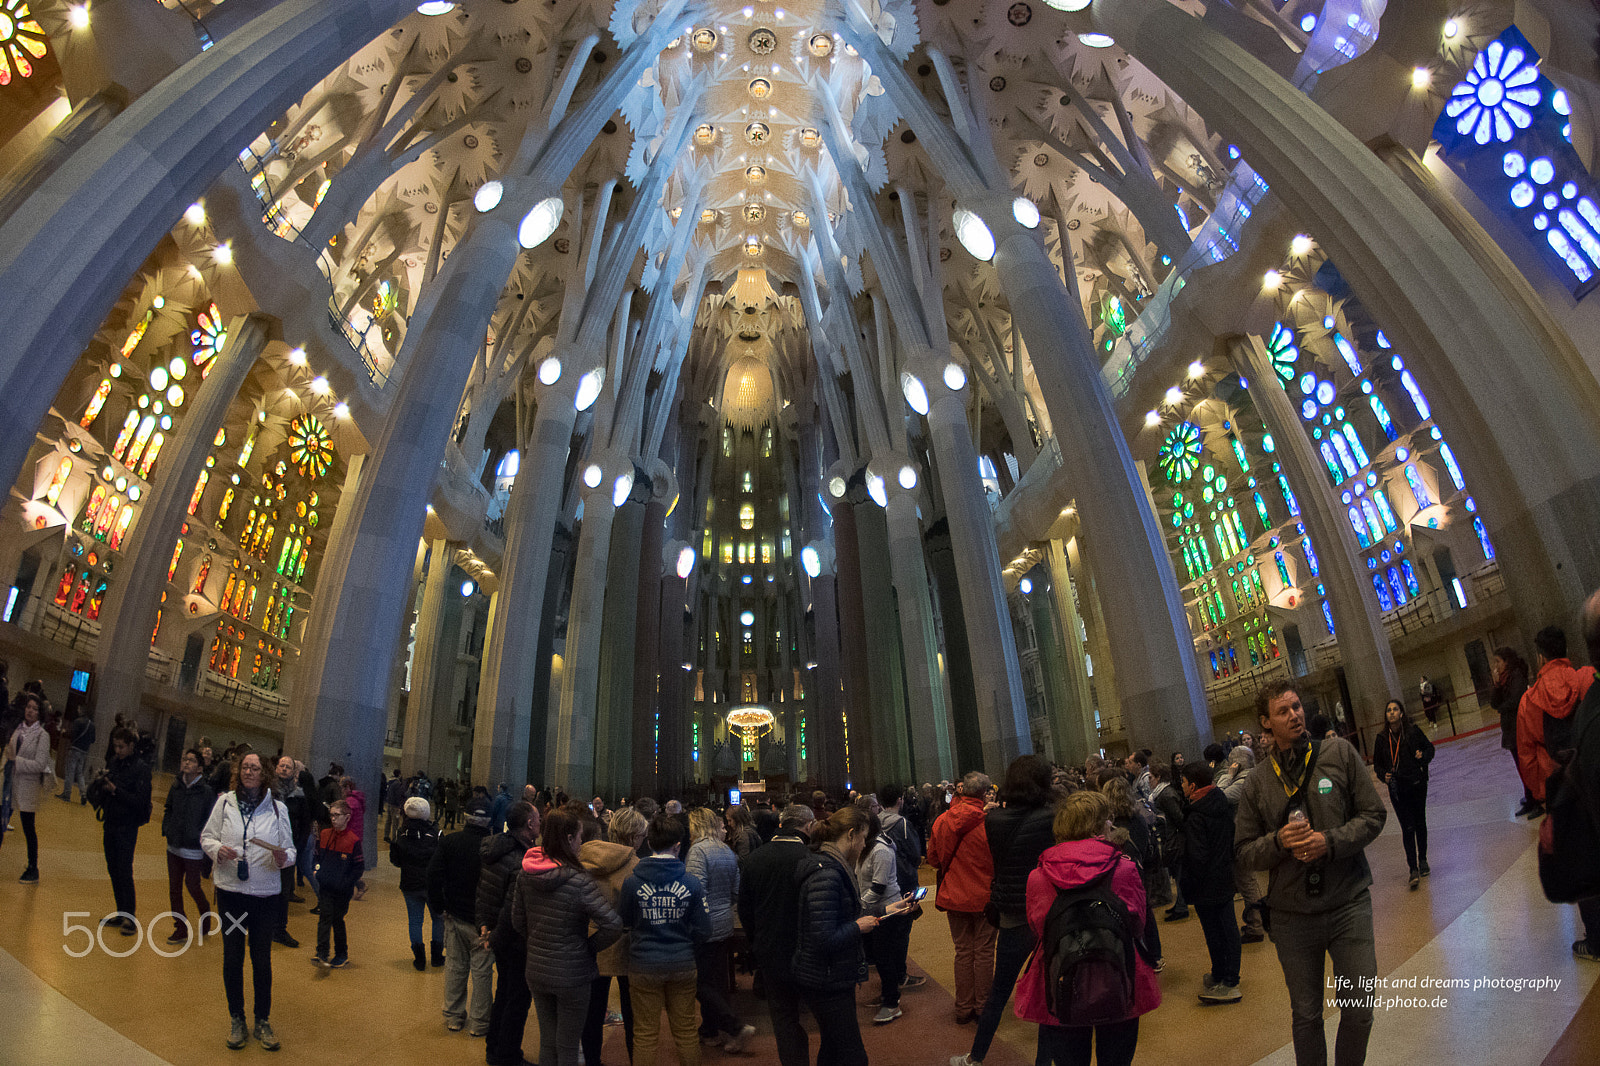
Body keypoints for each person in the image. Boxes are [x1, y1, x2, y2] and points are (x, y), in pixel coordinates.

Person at [1236, 680, 1387, 1066]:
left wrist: (1330, 842)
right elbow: (1243, 852)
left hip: (1348, 902)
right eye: (1283, 711)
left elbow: (1373, 814)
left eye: (1297, 707)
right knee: (1306, 1015)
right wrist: (1280, 842)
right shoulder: (1257, 782)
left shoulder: (1337, 753)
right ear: (1265, 723)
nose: (1295, 715)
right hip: (1292, 916)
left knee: (1359, 1009)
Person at [1013, 790, 1160, 1066]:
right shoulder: (1123, 867)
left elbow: (1038, 928)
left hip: (1060, 980)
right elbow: (1138, 925)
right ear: (1096, 825)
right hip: (1119, 977)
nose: (1111, 825)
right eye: (1107, 819)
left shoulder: (1039, 875)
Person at [951, 755, 1062, 1066]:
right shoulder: (1052, 816)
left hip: (1013, 913)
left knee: (999, 993)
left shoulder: (993, 821)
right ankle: (1043, 1061)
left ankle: (975, 1057)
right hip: (1047, 913)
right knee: (1049, 991)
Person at [794, 807, 913, 1066]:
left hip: (831, 975)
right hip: (825, 979)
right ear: (850, 835)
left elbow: (849, 911)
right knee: (853, 1056)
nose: (863, 845)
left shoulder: (832, 864)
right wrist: (858, 927)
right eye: (862, 838)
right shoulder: (826, 873)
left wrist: (888, 909)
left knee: (833, 1048)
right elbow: (823, 938)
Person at [513, 807, 623, 1066]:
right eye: (580, 837)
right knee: (568, 1047)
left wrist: (539, 942)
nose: (582, 843)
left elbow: (517, 921)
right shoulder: (578, 880)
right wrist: (587, 947)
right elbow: (613, 924)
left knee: (548, 1042)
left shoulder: (526, 873)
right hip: (572, 974)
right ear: (570, 838)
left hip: (537, 970)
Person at [201, 751, 296, 1051]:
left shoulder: (278, 809)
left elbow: (291, 850)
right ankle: (237, 1018)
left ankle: (263, 1020)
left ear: (264, 773)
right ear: (238, 771)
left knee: (261, 959)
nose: (249, 772)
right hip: (231, 893)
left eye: (255, 768)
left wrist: (284, 858)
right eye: (245, 767)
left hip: (264, 896)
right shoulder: (224, 803)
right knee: (232, 957)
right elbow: (207, 837)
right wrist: (219, 850)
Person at [622, 812, 713, 1066]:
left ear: (649, 843)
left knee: (645, 1034)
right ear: (678, 846)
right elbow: (705, 929)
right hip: (681, 963)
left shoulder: (632, 883)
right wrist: (685, 941)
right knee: (685, 1031)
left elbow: (625, 922)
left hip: (643, 963)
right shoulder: (691, 883)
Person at [738, 803, 814, 1066]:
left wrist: (756, 941)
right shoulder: (810, 856)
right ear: (808, 826)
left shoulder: (755, 858)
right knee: (824, 1014)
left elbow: (744, 908)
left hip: (771, 949)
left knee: (783, 1018)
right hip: (809, 949)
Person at [684, 806, 754, 1050]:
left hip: (704, 925)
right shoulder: (726, 850)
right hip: (724, 921)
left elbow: (696, 890)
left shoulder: (698, 851)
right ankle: (711, 1029)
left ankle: (733, 1025)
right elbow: (736, 891)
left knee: (698, 981)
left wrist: (696, 921)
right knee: (717, 980)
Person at [929, 771, 996, 1024]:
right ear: (984, 793)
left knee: (963, 951)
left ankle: (963, 1008)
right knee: (985, 951)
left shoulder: (941, 821)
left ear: (960, 791)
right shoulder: (990, 821)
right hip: (984, 896)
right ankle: (982, 1008)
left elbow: (934, 860)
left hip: (954, 894)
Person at [580, 805, 645, 1066]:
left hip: (592, 941)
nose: (643, 841)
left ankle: (593, 1061)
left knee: (592, 1014)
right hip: (628, 945)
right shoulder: (636, 865)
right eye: (641, 836)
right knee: (634, 1017)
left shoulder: (585, 856)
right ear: (632, 837)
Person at [479, 801, 540, 1066]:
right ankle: (507, 1054)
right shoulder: (522, 859)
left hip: (497, 933)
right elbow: (511, 909)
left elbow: (484, 891)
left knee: (503, 992)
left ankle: (494, 1046)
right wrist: (495, 937)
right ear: (529, 824)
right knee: (517, 999)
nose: (540, 822)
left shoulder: (497, 848)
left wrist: (483, 924)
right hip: (514, 940)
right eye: (537, 817)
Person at [429, 795, 495, 1034]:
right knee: (482, 972)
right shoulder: (493, 846)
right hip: (484, 921)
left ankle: (454, 1017)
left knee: (456, 968)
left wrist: (440, 906)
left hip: (455, 914)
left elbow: (433, 875)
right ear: (489, 821)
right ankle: (479, 1022)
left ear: (465, 817)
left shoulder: (450, 842)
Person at [1179, 762, 1242, 1003]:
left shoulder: (1196, 815)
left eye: (1183, 782)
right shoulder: (1220, 802)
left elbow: (1197, 855)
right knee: (1225, 929)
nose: (1181, 786)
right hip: (1223, 874)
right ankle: (1220, 974)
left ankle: (1229, 981)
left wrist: (1191, 880)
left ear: (1193, 785)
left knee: (1217, 932)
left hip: (1205, 882)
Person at [1517, 626, 1594, 820]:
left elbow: (1527, 756)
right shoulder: (1587, 677)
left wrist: (1541, 794)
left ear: (1541, 658)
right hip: (1591, 771)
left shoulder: (1528, 700)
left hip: (1558, 783)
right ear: (1565, 651)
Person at [1371, 699, 1436, 889]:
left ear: (1401, 713)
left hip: (1416, 784)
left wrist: (1422, 757)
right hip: (1398, 789)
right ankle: (1412, 868)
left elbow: (1429, 748)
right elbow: (1377, 765)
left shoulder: (1413, 732)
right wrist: (1384, 775)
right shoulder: (1382, 738)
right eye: (1388, 710)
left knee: (1419, 822)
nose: (1391, 712)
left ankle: (1422, 859)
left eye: (1395, 709)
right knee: (1407, 828)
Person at [162, 747, 218, 943]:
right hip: (173, 845)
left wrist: (199, 837)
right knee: (174, 888)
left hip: (193, 849)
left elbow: (211, 820)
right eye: (185, 759)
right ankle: (180, 927)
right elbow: (168, 808)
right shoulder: (176, 786)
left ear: (200, 768)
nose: (187, 763)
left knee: (193, 886)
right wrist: (167, 829)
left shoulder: (206, 792)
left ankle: (205, 914)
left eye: (192, 761)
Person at [98, 725, 152, 927]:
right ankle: (121, 912)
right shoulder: (114, 762)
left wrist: (115, 791)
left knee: (124, 870)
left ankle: (130, 916)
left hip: (127, 827)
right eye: (115, 746)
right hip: (110, 823)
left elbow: (140, 802)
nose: (117, 751)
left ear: (131, 746)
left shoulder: (141, 769)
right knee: (113, 869)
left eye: (121, 747)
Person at [857, 811, 907, 1025]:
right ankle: (889, 993)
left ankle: (892, 1003)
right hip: (872, 908)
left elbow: (879, 887)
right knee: (879, 957)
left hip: (887, 909)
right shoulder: (867, 846)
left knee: (885, 958)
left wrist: (859, 906)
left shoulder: (881, 849)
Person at [1217, 745, 1266, 943]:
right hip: (1246, 835)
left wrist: (1228, 775)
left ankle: (1256, 925)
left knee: (1247, 882)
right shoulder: (1252, 776)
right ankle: (1258, 921)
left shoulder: (1242, 780)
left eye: (1231, 761)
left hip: (1241, 837)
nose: (1229, 764)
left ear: (1237, 762)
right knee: (1248, 881)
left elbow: (1218, 797)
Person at [391, 795, 444, 969]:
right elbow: (443, 860)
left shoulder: (401, 833)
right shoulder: (436, 833)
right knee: (438, 919)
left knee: (415, 921)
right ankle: (436, 957)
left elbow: (396, 861)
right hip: (432, 885)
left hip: (409, 884)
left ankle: (419, 960)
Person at [312, 799, 362, 967]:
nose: (333, 819)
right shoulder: (325, 834)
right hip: (325, 885)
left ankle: (341, 954)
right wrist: (316, 870)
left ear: (347, 817)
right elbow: (317, 857)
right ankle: (322, 952)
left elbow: (358, 867)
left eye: (337, 815)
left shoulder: (353, 841)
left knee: (337, 919)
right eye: (331, 815)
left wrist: (346, 883)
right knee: (325, 917)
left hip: (342, 890)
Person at [6, 694, 49, 883]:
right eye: (28, 707)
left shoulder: (42, 736)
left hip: (28, 787)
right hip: (11, 783)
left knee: (28, 827)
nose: (30, 711)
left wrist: (18, 762)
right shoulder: (17, 729)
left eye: (34, 709)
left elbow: (40, 764)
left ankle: (33, 867)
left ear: (40, 714)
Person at [271, 756, 310, 947]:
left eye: (288, 767)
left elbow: (304, 823)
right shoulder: (266, 791)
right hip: (267, 847)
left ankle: (279, 929)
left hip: (288, 848)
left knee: (284, 891)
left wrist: (299, 847)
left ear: (294, 772)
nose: (284, 769)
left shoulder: (299, 795)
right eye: (282, 765)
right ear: (276, 768)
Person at [1491, 647, 1534, 817]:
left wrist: (1502, 708)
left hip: (1519, 726)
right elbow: (1494, 703)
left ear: (1506, 661)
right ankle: (1529, 795)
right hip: (1510, 728)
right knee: (1519, 765)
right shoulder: (1502, 680)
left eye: (1498, 661)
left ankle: (1533, 800)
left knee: (1526, 765)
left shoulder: (1516, 675)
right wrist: (1495, 685)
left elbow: (1516, 699)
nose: (1495, 665)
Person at [1150, 762, 1188, 922]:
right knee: (1177, 874)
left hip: (1174, 840)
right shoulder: (1164, 794)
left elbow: (1179, 818)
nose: (1149, 781)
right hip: (1171, 839)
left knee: (1179, 874)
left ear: (1159, 777)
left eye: (1151, 777)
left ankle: (1182, 906)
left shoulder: (1166, 795)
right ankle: (1180, 904)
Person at [57, 706, 94, 804]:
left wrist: (64, 733)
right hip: (84, 751)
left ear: (82, 711)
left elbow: (73, 734)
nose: (77, 710)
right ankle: (83, 794)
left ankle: (67, 794)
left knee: (70, 771)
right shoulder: (92, 725)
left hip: (75, 749)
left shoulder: (78, 721)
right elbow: (93, 740)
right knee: (80, 773)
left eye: (78, 709)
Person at [384, 769, 406, 843]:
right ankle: (394, 838)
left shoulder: (390, 781)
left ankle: (386, 835)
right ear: (399, 774)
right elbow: (398, 795)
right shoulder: (397, 783)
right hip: (395, 805)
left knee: (388, 820)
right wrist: (399, 805)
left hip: (389, 803)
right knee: (395, 822)